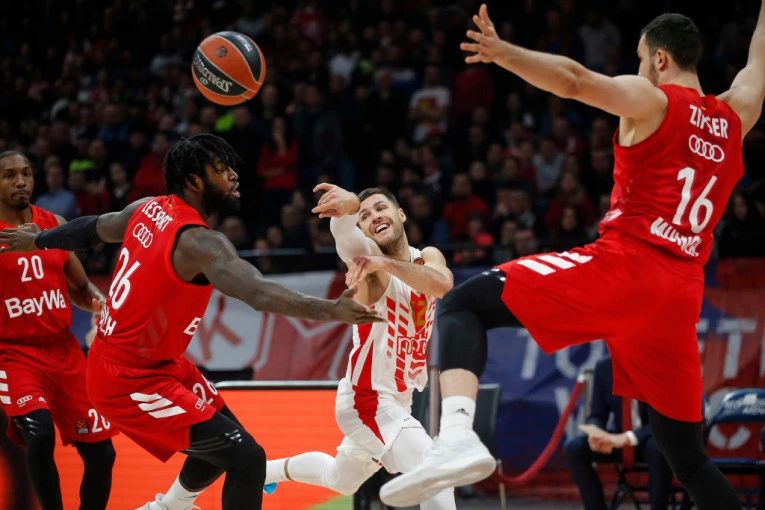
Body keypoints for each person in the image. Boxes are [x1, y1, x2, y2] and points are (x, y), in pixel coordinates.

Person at [380, 4, 765, 509]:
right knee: (688, 459)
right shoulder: (735, 115)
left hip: (627, 267)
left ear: (660, 59)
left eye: (641, 58)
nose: (639, 66)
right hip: (679, 296)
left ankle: (455, 439)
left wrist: (503, 53)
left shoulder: (652, 99)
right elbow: (759, 62)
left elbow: (574, 80)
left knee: (462, 303)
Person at [0, 134, 382, 510]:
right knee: (248, 458)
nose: (233, 174)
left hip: (158, 364)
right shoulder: (199, 243)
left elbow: (92, 228)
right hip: (128, 379)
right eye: (221, 168)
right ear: (195, 181)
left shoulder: (147, 207)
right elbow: (258, 293)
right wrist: (331, 310)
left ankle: (168, 507)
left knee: (224, 441)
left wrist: (42, 239)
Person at [263, 184, 455, 509]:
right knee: (435, 475)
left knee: (341, 478)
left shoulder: (428, 256)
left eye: (380, 208)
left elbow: (441, 285)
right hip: (369, 400)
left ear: (401, 214)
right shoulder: (369, 270)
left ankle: (264, 471)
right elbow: (345, 238)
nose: (374, 216)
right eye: (365, 216)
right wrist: (348, 211)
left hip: (400, 399)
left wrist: (386, 263)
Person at [0, 151, 117, 510]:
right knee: (39, 437)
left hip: (64, 351)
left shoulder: (53, 224)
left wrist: (102, 305)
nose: (21, 182)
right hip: (14, 353)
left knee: (103, 453)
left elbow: (80, 288)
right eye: (9, 175)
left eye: (26, 173)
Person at [565, 357, 673, 510]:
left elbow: (665, 421)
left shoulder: (659, 365)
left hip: (652, 436)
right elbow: (597, 414)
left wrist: (627, 438)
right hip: (618, 439)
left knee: (659, 447)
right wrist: (596, 433)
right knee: (574, 448)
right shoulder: (604, 367)